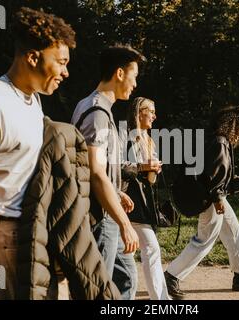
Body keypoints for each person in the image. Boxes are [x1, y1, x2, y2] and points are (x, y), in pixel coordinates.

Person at [0, 7, 76, 300]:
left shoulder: (32, 102)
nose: (66, 72)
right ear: (32, 57)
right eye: (60, 62)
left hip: (29, 234)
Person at [164, 106, 239, 300]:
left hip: (215, 197)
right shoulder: (219, 142)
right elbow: (210, 177)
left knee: (233, 233)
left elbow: (216, 174)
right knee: (204, 240)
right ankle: (171, 276)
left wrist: (236, 183)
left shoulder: (218, 141)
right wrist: (218, 200)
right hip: (211, 200)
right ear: (232, 125)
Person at [71, 45, 145, 300]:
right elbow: (95, 172)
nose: (135, 84)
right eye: (134, 76)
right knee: (99, 289)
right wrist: (125, 224)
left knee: (126, 278)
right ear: (120, 73)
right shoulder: (97, 113)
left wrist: (116, 191)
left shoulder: (91, 105)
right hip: (100, 217)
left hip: (107, 207)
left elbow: (96, 168)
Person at [121, 97, 170, 300]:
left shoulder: (148, 139)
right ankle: (160, 300)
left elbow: (147, 178)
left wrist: (154, 169)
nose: (154, 116)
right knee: (150, 248)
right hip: (128, 200)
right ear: (139, 112)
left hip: (141, 201)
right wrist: (143, 167)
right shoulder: (125, 136)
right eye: (151, 111)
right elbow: (117, 166)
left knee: (126, 252)